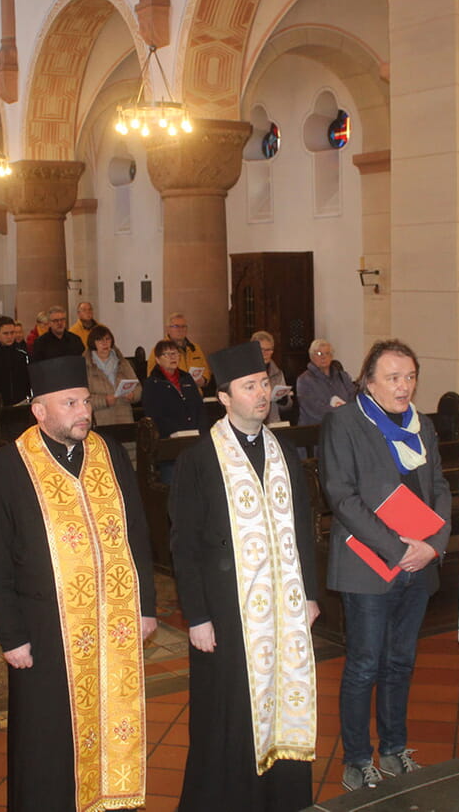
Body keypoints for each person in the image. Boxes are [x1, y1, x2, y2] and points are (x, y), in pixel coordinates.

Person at [0, 355, 157, 811]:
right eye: (70, 402)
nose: (84, 411)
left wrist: (146, 605)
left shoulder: (110, 453)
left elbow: (138, 532)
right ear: (39, 411)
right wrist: (11, 636)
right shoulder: (8, 467)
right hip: (43, 631)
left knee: (113, 724)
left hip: (113, 626)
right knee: (48, 743)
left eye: (86, 401)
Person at [170, 342, 319, 812]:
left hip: (284, 612)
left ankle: (282, 800)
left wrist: (311, 595)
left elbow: (303, 526)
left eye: (264, 384)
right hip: (226, 614)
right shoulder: (198, 459)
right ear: (224, 398)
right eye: (249, 386)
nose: (262, 394)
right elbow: (185, 544)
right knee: (227, 716)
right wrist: (196, 616)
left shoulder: (284, 453)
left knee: (283, 702)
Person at [320, 339, 451, 790]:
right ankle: (357, 758)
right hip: (369, 563)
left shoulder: (422, 425)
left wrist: (433, 545)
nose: (404, 386)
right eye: (393, 377)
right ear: (369, 381)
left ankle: (394, 749)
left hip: (419, 562)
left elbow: (439, 487)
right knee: (364, 664)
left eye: (410, 376)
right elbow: (341, 496)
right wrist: (398, 549)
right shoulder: (344, 422)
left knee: (401, 662)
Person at [141, 339, 208, 439]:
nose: (173, 357)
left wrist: (199, 429)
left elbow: (199, 406)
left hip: (195, 433)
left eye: (175, 353)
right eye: (167, 354)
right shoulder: (151, 384)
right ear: (158, 360)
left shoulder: (187, 378)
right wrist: (177, 432)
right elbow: (154, 415)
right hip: (169, 437)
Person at [85, 324, 140, 427]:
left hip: (124, 416)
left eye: (107, 339)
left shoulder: (123, 362)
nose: (104, 343)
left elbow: (138, 388)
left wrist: (133, 395)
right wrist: (104, 401)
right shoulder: (86, 365)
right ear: (93, 343)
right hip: (100, 419)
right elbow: (83, 398)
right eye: (100, 340)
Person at [296, 339, 355, 427]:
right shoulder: (304, 380)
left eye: (327, 353)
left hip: (342, 427)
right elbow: (313, 409)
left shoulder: (343, 376)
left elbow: (353, 398)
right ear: (312, 356)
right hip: (315, 428)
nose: (324, 357)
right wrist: (341, 413)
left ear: (331, 357)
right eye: (319, 354)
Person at [149, 313, 211, 391]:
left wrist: (203, 380)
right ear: (168, 329)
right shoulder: (158, 349)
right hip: (171, 394)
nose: (180, 329)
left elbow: (206, 372)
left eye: (183, 326)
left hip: (195, 393)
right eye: (176, 326)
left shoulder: (195, 348)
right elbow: (151, 378)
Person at [251, 330, 292, 424]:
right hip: (252, 423)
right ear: (253, 350)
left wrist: (283, 400)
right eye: (262, 350)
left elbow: (287, 406)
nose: (266, 353)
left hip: (273, 422)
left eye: (269, 350)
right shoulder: (245, 373)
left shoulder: (277, 373)